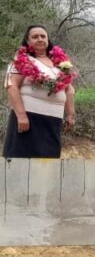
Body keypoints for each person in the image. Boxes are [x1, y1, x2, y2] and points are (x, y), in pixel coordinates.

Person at [3, 25, 77, 158]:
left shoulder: (60, 63)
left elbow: (69, 90)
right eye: (35, 37)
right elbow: (11, 86)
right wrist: (21, 116)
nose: (40, 39)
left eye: (43, 36)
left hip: (53, 121)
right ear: (27, 40)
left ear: (48, 39)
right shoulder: (22, 59)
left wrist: (71, 114)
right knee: (22, 160)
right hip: (28, 118)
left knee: (48, 161)